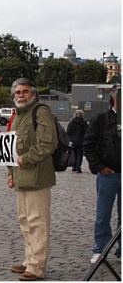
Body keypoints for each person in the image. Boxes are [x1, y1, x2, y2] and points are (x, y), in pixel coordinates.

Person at [7, 78, 58, 281]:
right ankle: (29, 259)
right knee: (25, 222)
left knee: (38, 222)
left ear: (33, 94)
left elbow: (48, 143)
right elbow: (10, 148)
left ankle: (37, 266)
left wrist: (26, 159)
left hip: (37, 176)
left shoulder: (40, 111)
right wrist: (10, 173)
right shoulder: (18, 116)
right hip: (21, 177)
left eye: (25, 91)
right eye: (18, 92)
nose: (21, 95)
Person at [83, 86, 121, 264]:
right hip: (109, 174)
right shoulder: (100, 120)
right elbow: (88, 145)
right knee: (103, 215)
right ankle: (101, 249)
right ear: (113, 100)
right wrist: (100, 167)